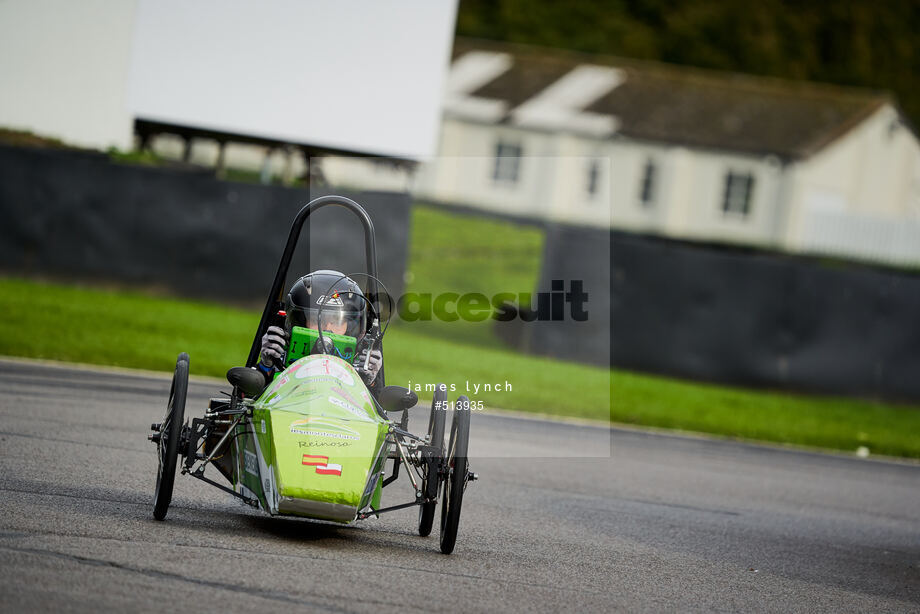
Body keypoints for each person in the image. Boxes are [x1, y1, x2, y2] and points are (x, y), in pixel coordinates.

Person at [257, 270, 383, 391]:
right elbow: (248, 397)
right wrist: (266, 365)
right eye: (316, 320)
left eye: (336, 322)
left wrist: (369, 382)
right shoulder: (279, 359)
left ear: (350, 327)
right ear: (299, 322)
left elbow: (375, 409)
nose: (327, 329)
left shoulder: (360, 367)